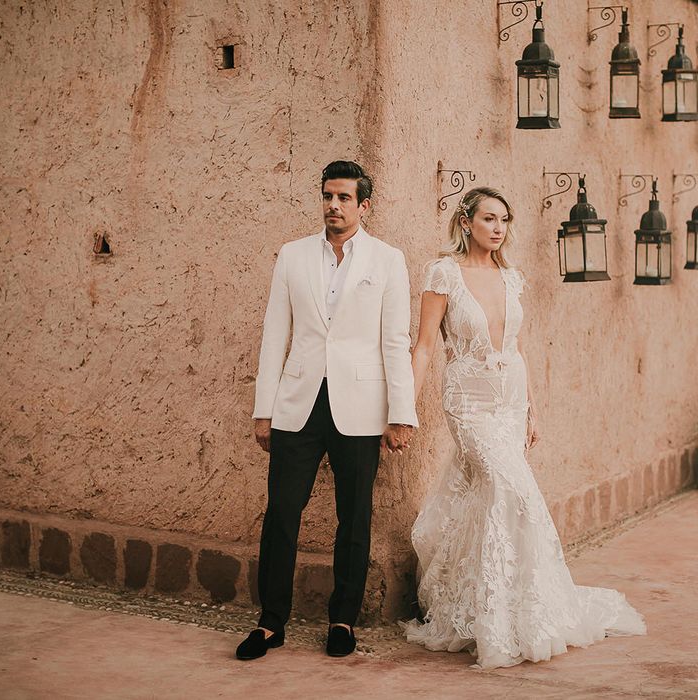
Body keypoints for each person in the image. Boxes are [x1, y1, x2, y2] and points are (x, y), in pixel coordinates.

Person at [404, 186, 645, 670]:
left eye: (505, 220)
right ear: (466, 220)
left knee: (488, 497)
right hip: (468, 400)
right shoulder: (443, 273)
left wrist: (531, 407)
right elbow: (426, 346)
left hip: (510, 400)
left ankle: (493, 606)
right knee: (510, 490)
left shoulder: (511, 278)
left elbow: (517, 348)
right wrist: (404, 409)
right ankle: (495, 614)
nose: (498, 228)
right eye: (490, 218)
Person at [236, 161, 418, 661]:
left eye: (343, 198)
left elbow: (395, 340)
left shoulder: (387, 260)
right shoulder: (293, 255)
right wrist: (264, 408)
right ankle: (271, 623)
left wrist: (401, 413)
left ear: (364, 205)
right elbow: (276, 334)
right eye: (326, 196)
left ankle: (343, 620)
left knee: (354, 520)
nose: (333, 206)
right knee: (281, 516)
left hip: (359, 408)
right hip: (298, 405)